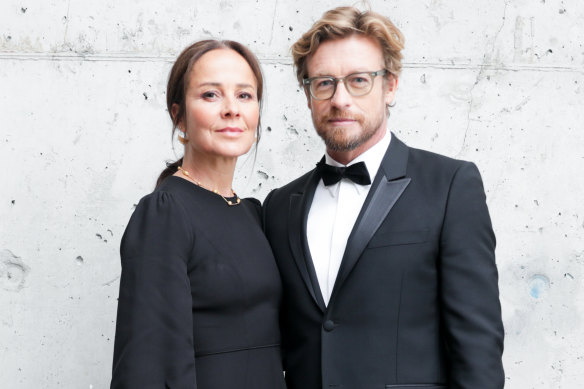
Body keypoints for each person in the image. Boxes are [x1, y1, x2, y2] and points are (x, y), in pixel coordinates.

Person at [263, 6, 504, 389]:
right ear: (308, 95)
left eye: (358, 80)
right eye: (324, 82)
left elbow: (478, 350)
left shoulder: (450, 186)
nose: (340, 99)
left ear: (390, 86)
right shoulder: (278, 206)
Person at [110, 40, 284, 389]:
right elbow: (148, 367)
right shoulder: (165, 213)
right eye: (210, 95)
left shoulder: (252, 213)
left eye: (245, 96)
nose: (232, 109)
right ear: (179, 117)